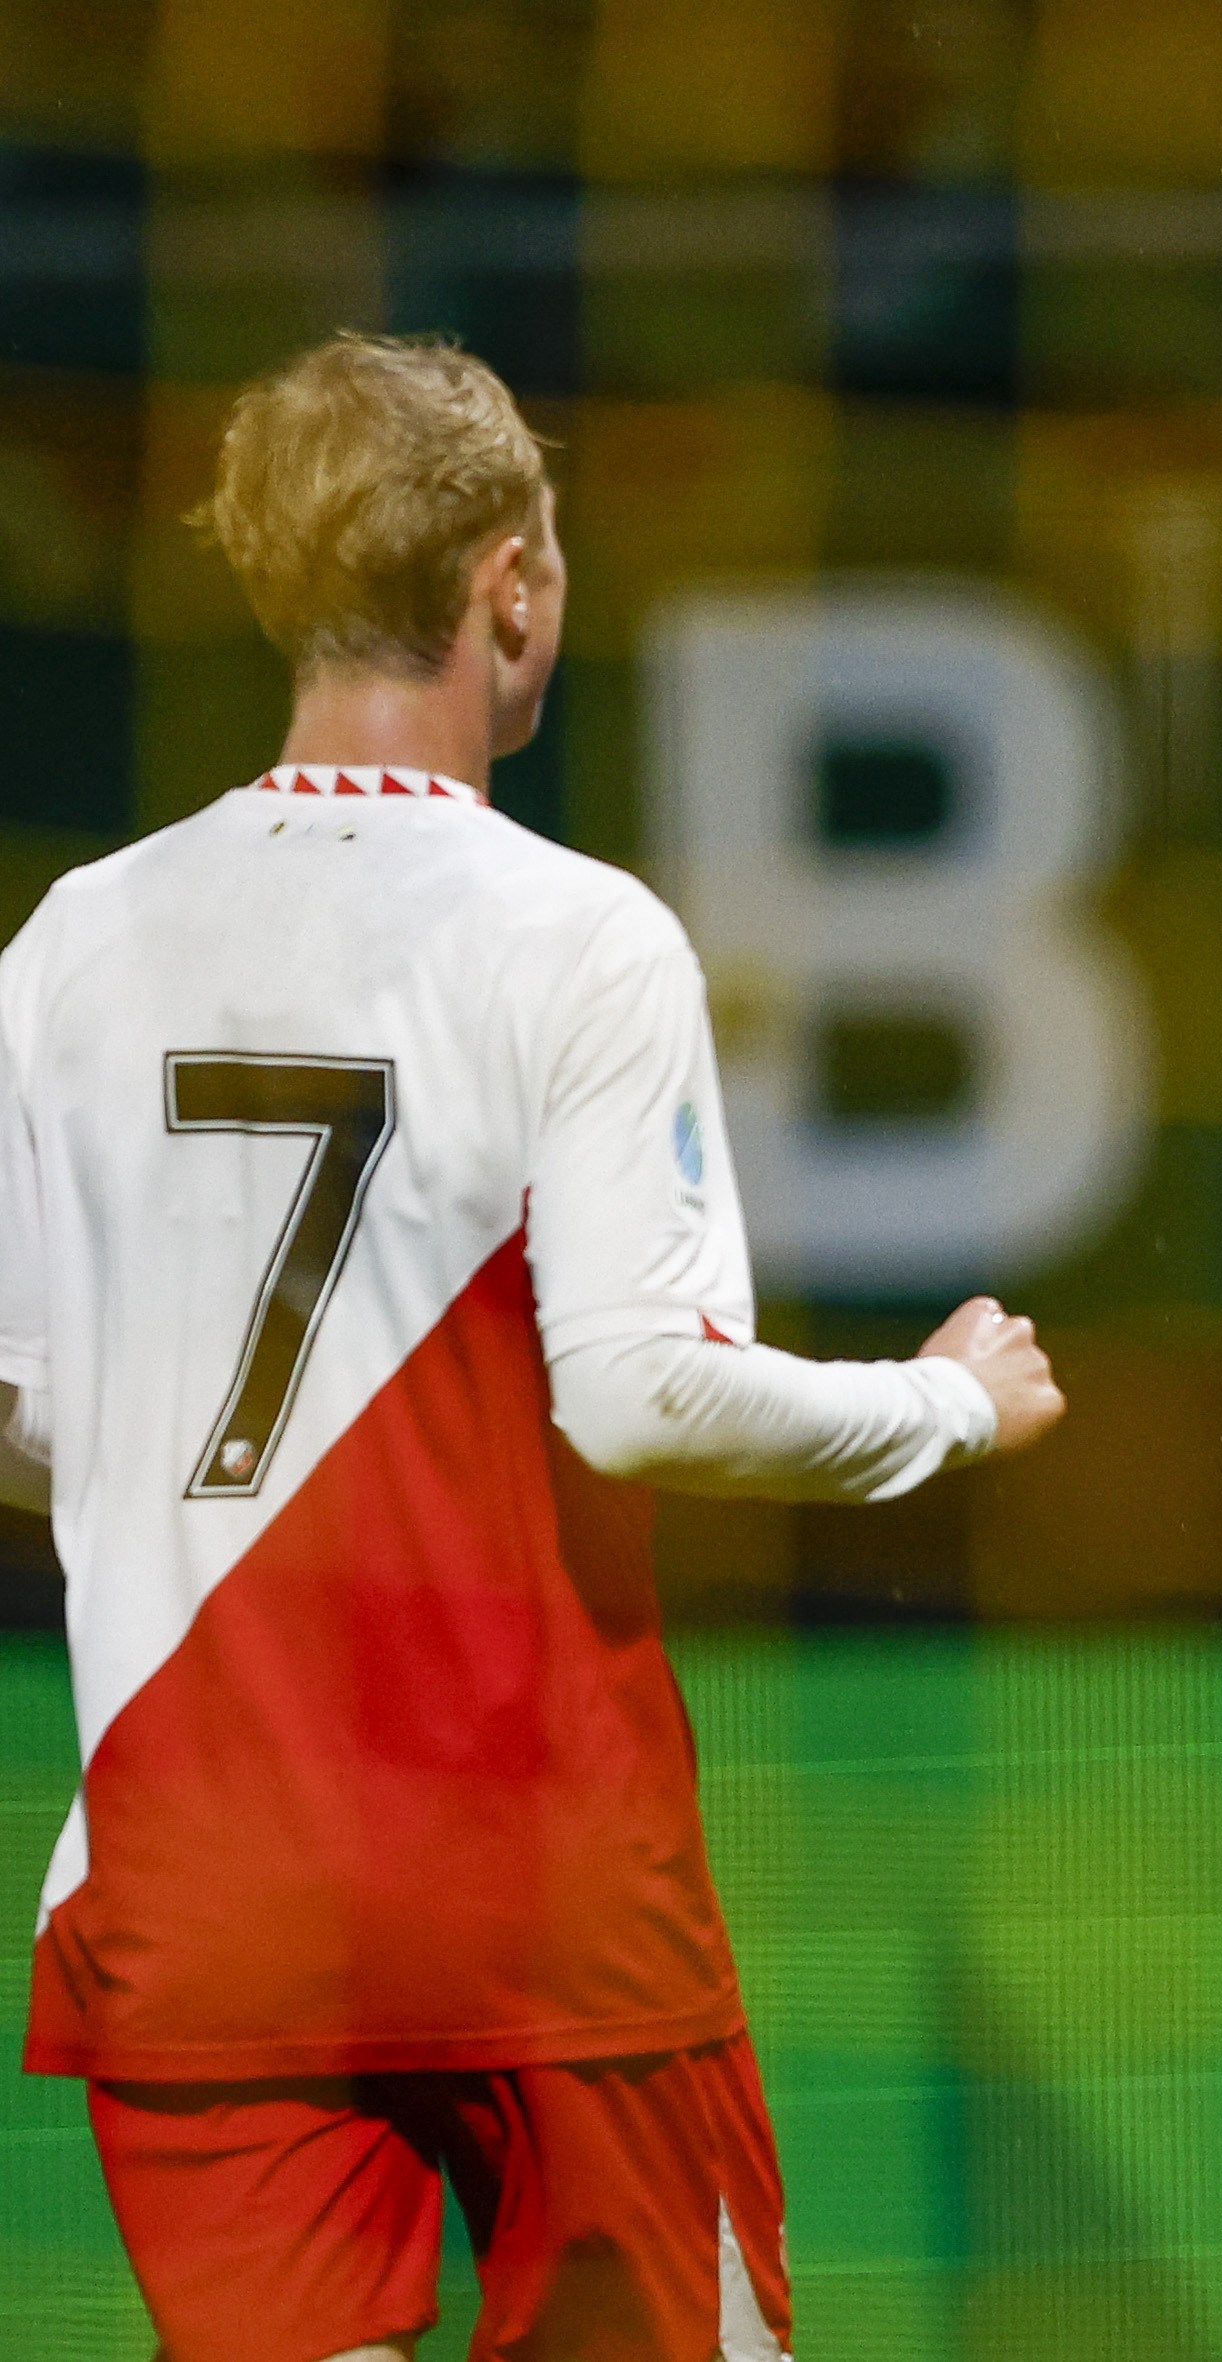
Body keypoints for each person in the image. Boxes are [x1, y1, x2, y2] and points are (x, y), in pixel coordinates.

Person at [0, 332, 1066, 2362]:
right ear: (512, 579)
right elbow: (642, 1385)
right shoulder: (572, 933)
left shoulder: (74, 937)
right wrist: (944, 1400)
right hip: (537, 1880)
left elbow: (27, 1405)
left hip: (201, 1870)